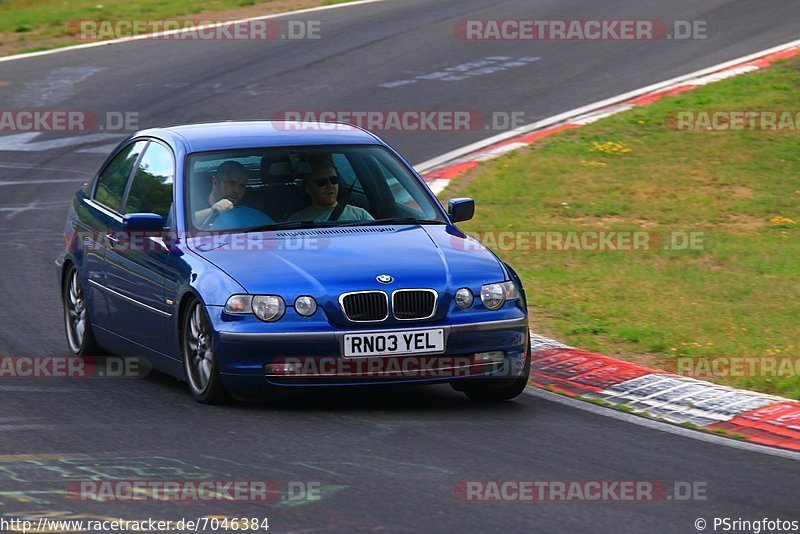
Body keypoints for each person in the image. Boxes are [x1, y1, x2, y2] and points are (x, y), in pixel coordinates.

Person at [288, 159, 373, 222]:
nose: (330, 186)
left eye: (334, 180)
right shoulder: (297, 220)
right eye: (322, 182)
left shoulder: (361, 215)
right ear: (308, 188)